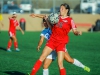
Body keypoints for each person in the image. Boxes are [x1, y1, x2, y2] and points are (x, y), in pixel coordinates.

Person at [29, 3, 90, 75]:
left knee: (64, 62)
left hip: (61, 43)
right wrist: (36, 15)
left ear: (67, 10)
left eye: (62, 8)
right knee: (43, 61)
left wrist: (77, 32)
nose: (60, 10)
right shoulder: (56, 16)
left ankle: (83, 66)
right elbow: (46, 16)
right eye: (60, 8)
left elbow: (74, 30)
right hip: (52, 41)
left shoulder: (70, 20)